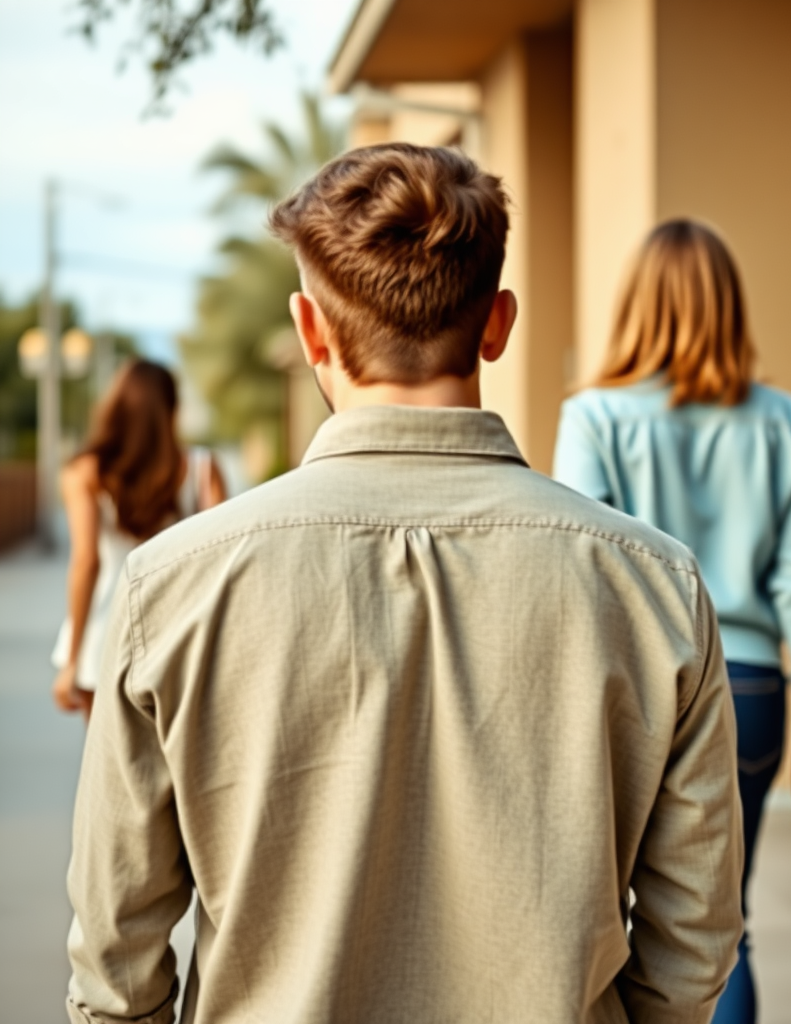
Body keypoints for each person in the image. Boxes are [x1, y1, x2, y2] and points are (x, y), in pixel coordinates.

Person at [65, 145, 743, 1024]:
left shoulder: (172, 587)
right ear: (497, 324)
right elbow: (695, 936)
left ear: (311, 333)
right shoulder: (655, 587)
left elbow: (118, 956)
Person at [553, 219, 791, 1024]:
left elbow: (585, 566)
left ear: (635, 307)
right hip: (751, 690)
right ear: (730, 307)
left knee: (605, 923)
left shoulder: (594, 419)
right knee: (723, 929)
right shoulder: (787, 421)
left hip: (634, 688)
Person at [51, 359, 225, 723]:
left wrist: (72, 660)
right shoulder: (201, 468)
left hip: (103, 634)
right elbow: (223, 558)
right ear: (171, 409)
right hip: (178, 632)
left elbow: (87, 561)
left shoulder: (84, 471)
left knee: (108, 771)